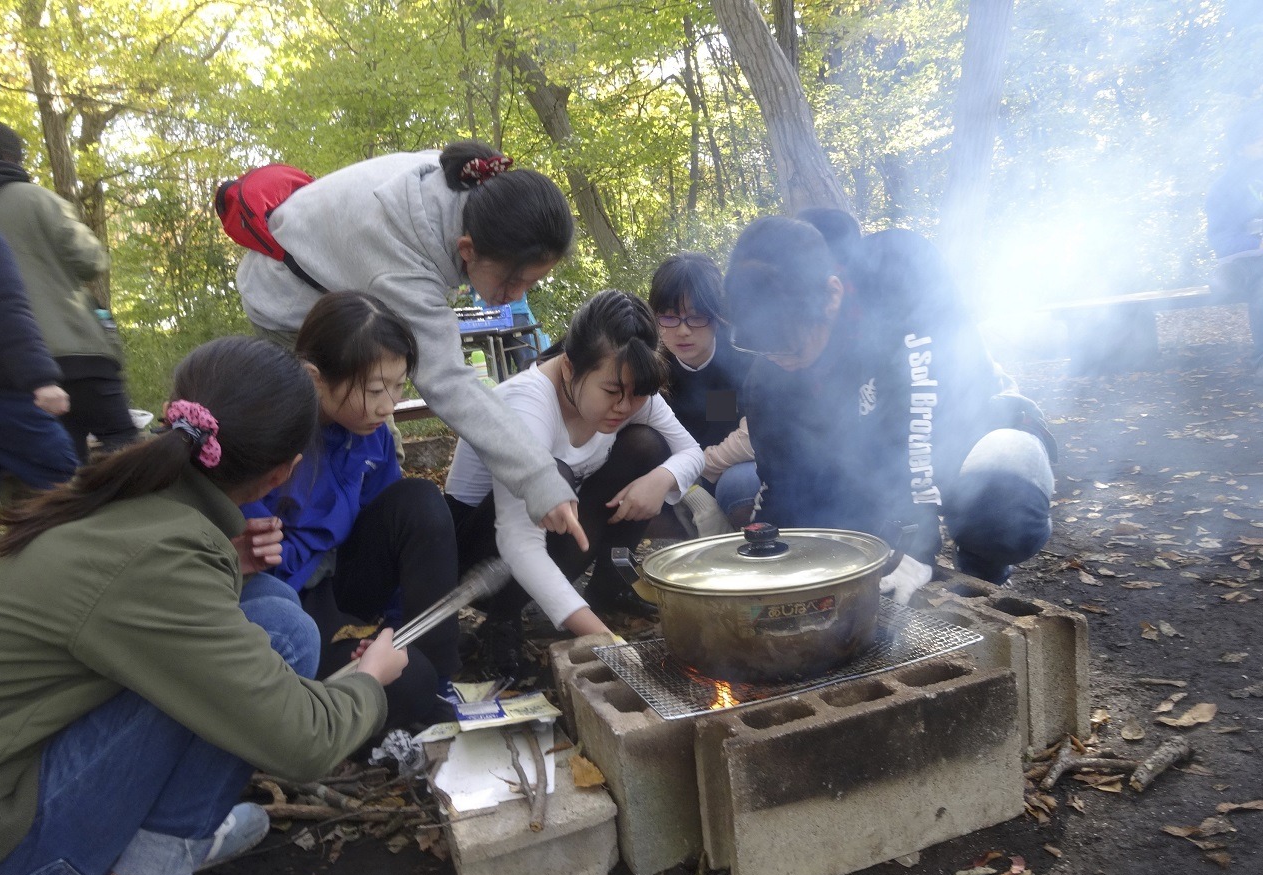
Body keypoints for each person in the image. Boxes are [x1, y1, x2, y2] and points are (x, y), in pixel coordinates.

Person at [0, 336, 408, 875]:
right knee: (280, 635)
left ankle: (156, 838)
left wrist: (227, 567)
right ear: (284, 470)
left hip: (11, 775)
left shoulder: (127, 500)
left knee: (270, 608)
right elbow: (303, 742)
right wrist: (369, 679)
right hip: (9, 862)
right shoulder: (159, 556)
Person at [235, 139, 587, 548]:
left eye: (531, 282)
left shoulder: (470, 191)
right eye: (511, 280)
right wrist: (539, 477)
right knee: (333, 430)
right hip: (284, 299)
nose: (515, 294)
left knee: (378, 438)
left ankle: (372, 550)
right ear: (467, 249)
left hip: (343, 273)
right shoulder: (403, 265)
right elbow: (449, 383)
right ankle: (302, 558)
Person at [723, 214, 1055, 604]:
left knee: (1001, 500)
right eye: (766, 346)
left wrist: (918, 544)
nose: (779, 358)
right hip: (877, 453)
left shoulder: (899, 277)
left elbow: (919, 419)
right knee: (752, 488)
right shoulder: (770, 371)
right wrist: (776, 558)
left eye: (788, 343)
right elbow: (782, 481)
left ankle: (986, 570)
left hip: (969, 428)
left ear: (832, 296)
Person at [445, 290, 703, 669]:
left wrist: (661, 479)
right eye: (612, 392)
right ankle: (503, 617)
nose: (625, 406)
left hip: (558, 532)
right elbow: (518, 541)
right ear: (569, 367)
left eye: (637, 395)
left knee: (648, 445)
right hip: (479, 558)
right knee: (555, 475)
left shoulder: (628, 383)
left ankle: (608, 586)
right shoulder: (528, 405)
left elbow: (691, 452)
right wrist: (605, 640)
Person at [242, 291, 459, 732]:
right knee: (405, 685)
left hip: (345, 582)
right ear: (315, 378)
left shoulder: (370, 434)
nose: (388, 405)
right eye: (376, 390)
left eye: (399, 387)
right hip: (285, 605)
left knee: (420, 502)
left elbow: (396, 533)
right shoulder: (270, 439)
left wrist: (389, 633)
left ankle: (438, 674)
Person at [0, 117, 137, 462]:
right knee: (126, 450)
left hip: (12, 373)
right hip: (79, 351)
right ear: (9, 158)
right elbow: (90, 260)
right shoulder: (38, 199)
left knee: (64, 472)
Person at [0, 208, 79, 552]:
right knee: (68, 488)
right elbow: (4, 306)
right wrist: (41, 379)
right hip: (1, 398)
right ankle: (81, 567)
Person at [647, 252, 758, 526]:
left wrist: (696, 467)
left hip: (733, 469)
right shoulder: (651, 363)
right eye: (670, 318)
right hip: (676, 479)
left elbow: (757, 433)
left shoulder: (744, 356)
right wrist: (691, 490)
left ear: (718, 316)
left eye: (696, 318)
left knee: (738, 485)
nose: (683, 331)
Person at [1205, 102, 1263, 376]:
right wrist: (1257, 244)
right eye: (1257, 137)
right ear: (1241, 147)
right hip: (1242, 265)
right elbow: (1221, 240)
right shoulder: (1224, 188)